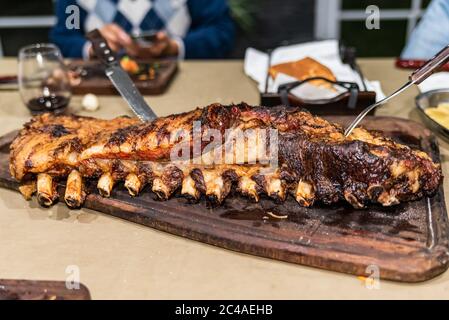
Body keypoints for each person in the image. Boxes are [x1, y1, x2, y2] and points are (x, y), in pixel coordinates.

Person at [50, 0, 235, 59]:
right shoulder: (72, 5)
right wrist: (93, 48)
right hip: (103, 86)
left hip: (179, 82)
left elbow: (220, 30)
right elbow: (65, 35)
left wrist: (173, 47)